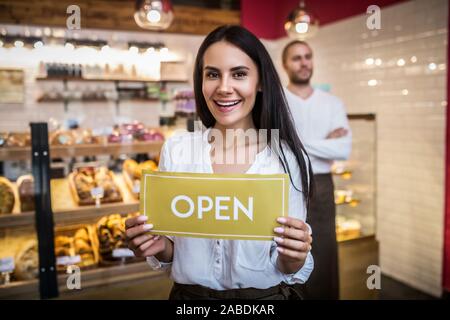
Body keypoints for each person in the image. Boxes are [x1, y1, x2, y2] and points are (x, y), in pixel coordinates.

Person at [125, 25, 314, 300]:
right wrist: (155, 244)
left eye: (239, 74)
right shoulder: (178, 151)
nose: (224, 88)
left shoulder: (286, 160)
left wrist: (295, 257)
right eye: (213, 74)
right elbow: (173, 251)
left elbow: (285, 265)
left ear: (260, 82)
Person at [282, 40, 352, 300]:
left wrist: (293, 142)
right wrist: (324, 142)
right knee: (288, 250)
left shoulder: (332, 103)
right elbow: (275, 147)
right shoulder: (278, 100)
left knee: (323, 251)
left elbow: (342, 149)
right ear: (285, 64)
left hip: (322, 187)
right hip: (286, 182)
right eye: (296, 58)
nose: (304, 62)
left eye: (308, 56)